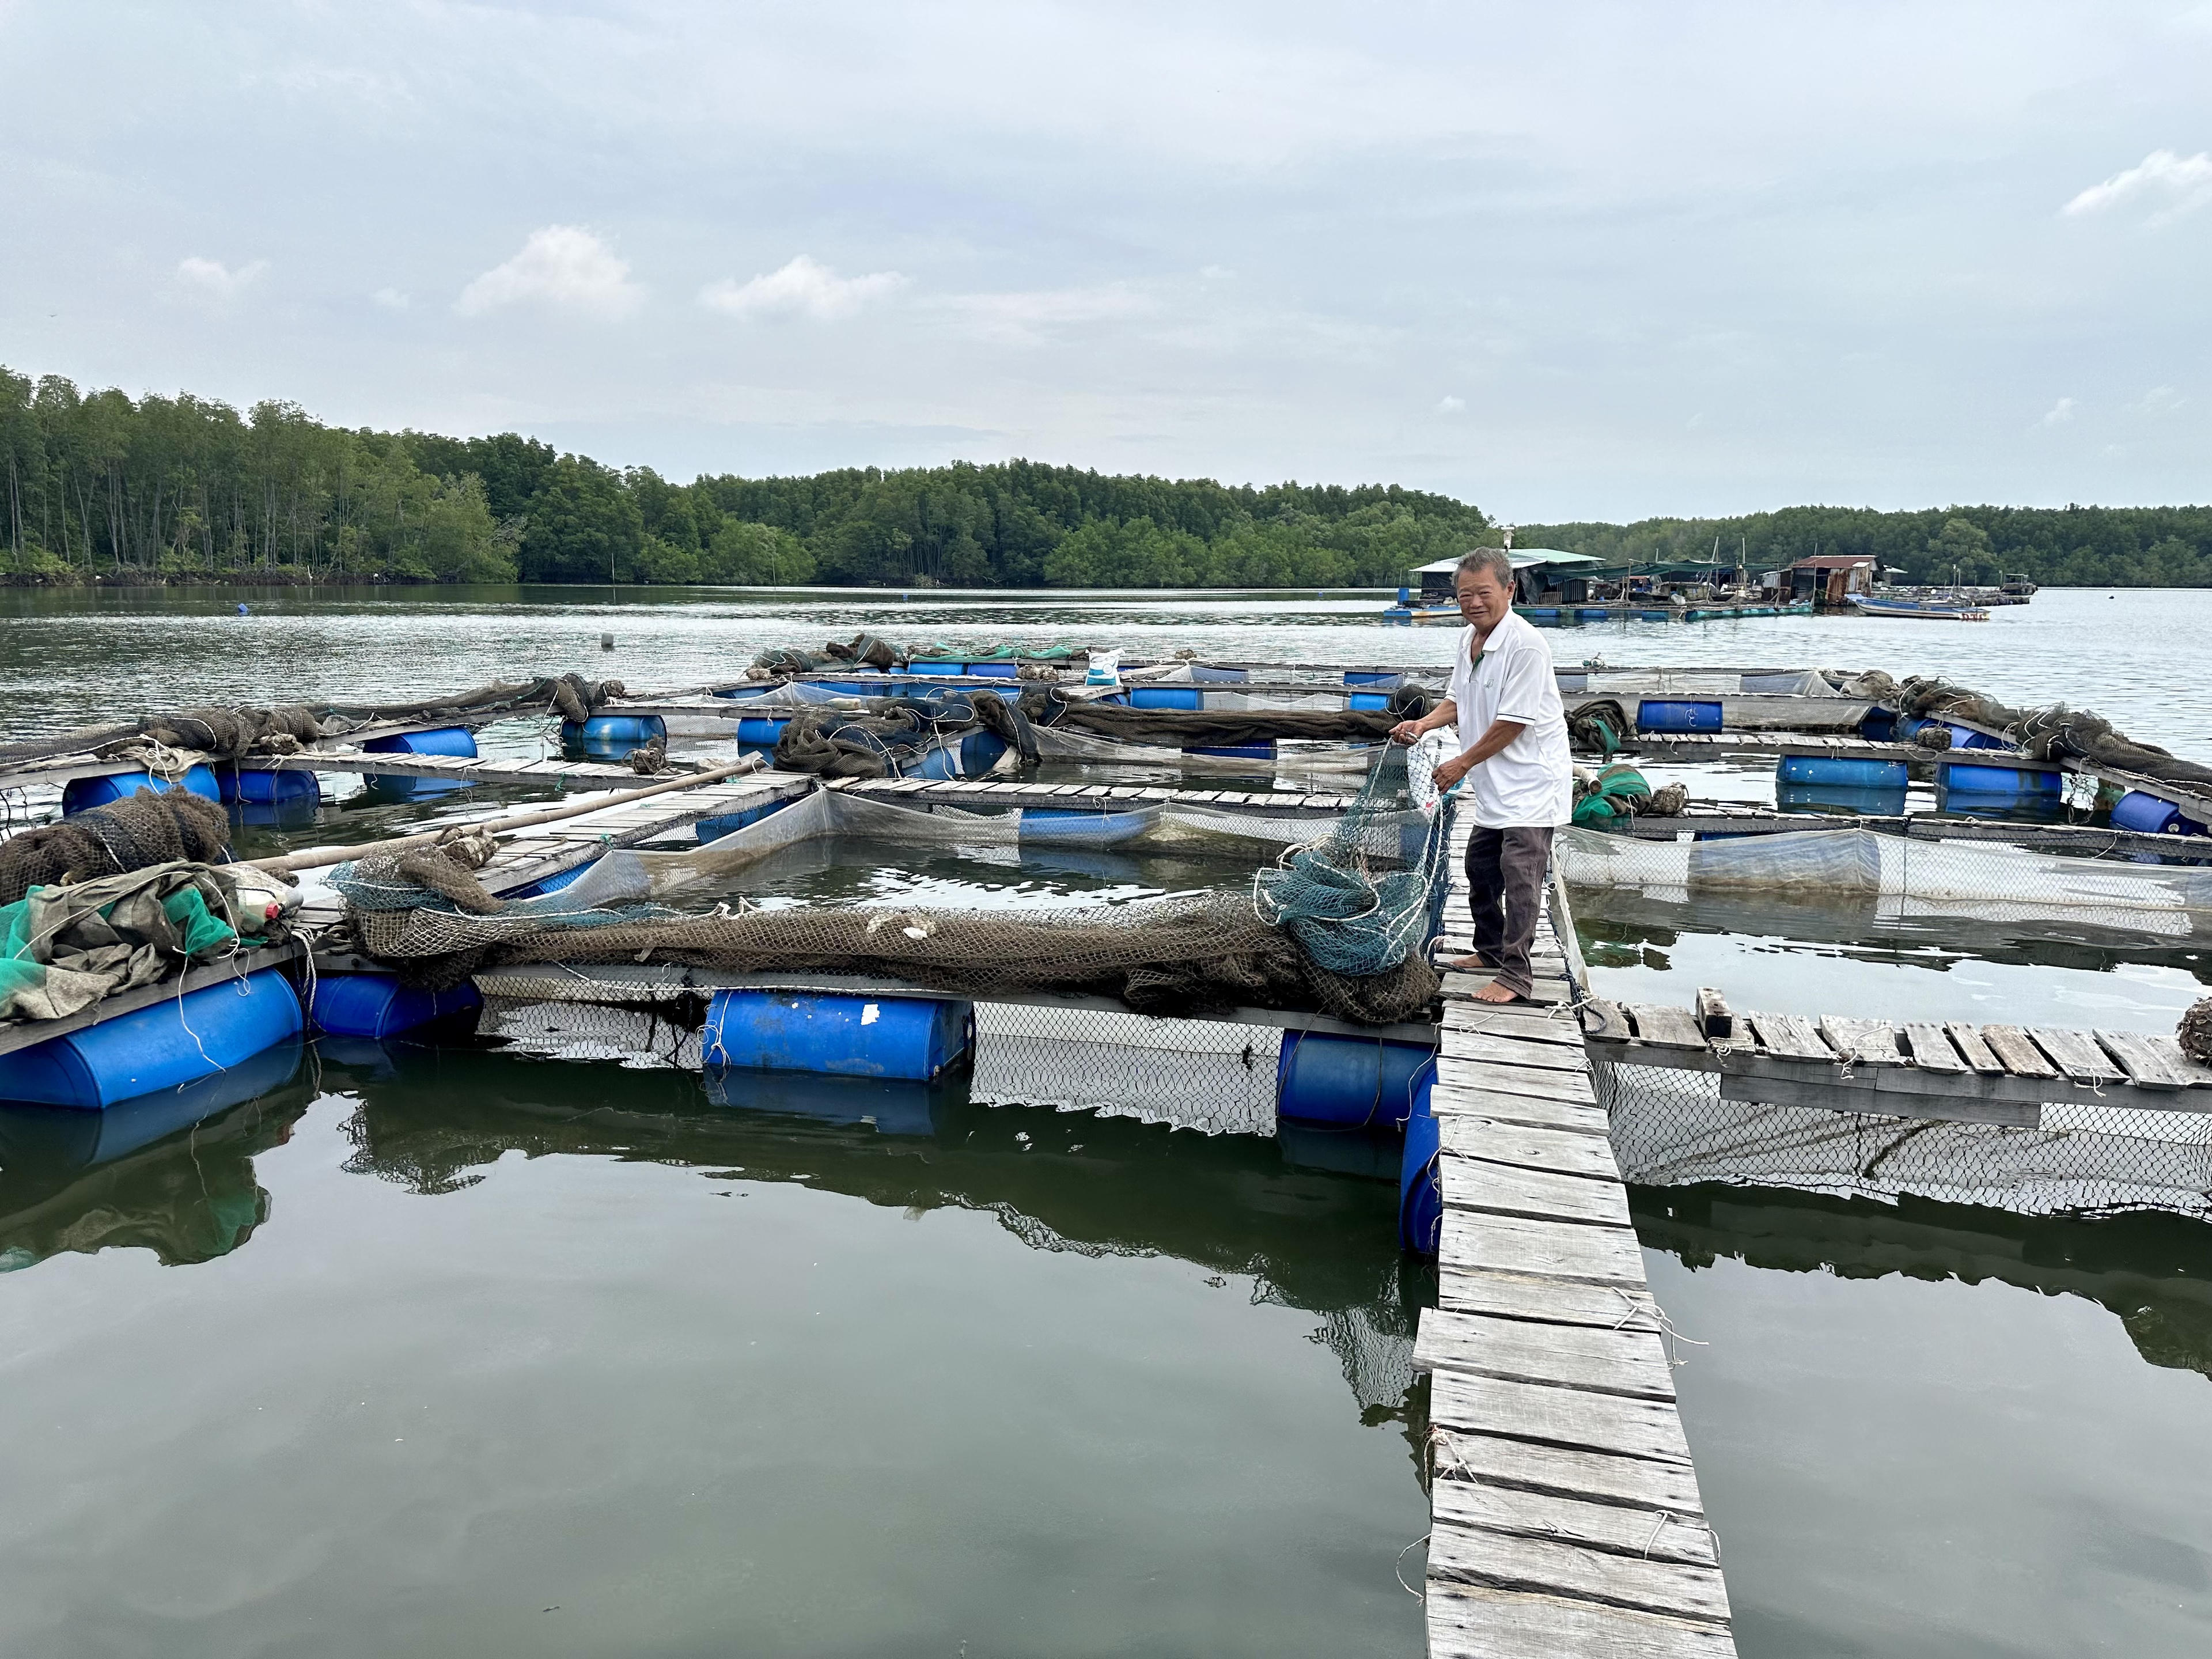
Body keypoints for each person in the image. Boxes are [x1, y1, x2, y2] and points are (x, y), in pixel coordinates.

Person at [1389, 547, 1573, 1004]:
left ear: (1510, 590)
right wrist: (1423, 724)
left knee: (1521, 874)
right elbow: (1458, 700)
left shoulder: (1526, 645)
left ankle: (1516, 975)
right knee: (1479, 866)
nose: (1473, 603)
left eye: (1483, 593)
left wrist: (1461, 763)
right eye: (1464, 595)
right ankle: (1490, 950)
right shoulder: (1468, 640)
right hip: (1494, 782)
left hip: (1532, 782)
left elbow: (1512, 723)